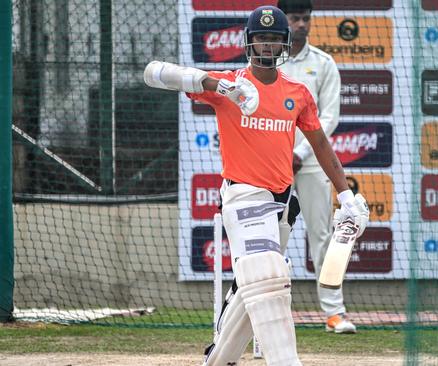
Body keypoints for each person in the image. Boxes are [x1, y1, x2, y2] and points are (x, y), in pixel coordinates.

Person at [143, 5, 368, 366]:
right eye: (261, 38)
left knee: (254, 286)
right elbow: (153, 72)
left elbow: (321, 146)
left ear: (284, 44)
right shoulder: (228, 85)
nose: (268, 46)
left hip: (282, 202)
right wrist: (221, 86)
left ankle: (217, 359)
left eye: (275, 39)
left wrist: (346, 195)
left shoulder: (298, 93)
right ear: (249, 42)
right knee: (268, 276)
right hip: (243, 194)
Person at [277, 0, 357, 334]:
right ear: (283, 21)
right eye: (295, 19)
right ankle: (261, 313)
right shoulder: (267, 62)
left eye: (306, 19)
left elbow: (329, 117)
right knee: (270, 241)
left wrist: (300, 153)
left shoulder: (323, 63)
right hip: (271, 164)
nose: (301, 25)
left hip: (309, 163)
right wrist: (282, 153)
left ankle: (334, 313)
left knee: (324, 237)